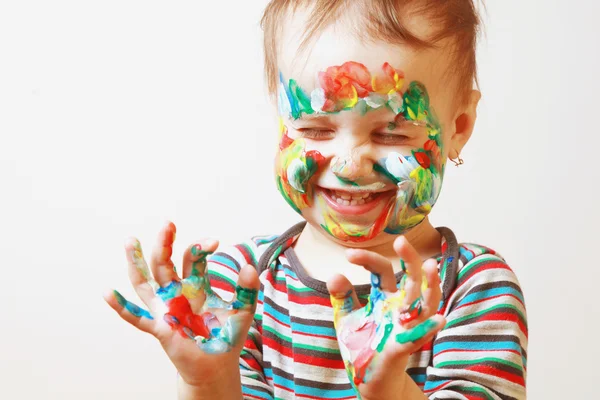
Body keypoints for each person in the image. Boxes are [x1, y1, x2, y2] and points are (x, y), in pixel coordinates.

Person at [104, 1, 528, 399]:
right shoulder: (239, 286)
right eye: (316, 130)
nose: (348, 164)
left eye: (392, 134)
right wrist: (210, 381)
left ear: (459, 125)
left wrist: (392, 391)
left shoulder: (472, 287)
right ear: (282, 122)